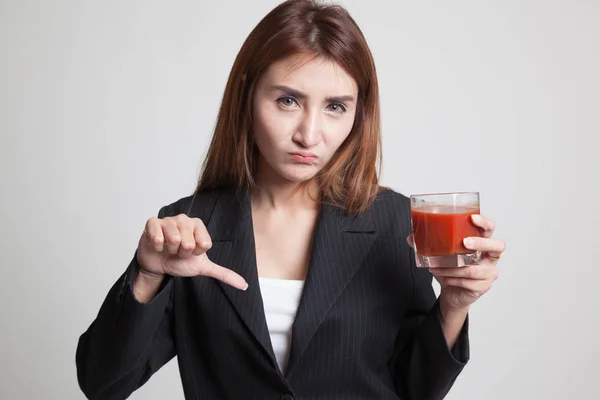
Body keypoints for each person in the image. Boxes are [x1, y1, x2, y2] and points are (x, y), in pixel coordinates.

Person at [76, 1, 506, 399]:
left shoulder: (393, 222)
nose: (309, 134)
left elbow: (415, 389)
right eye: (287, 101)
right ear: (247, 97)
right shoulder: (188, 225)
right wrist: (149, 275)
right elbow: (102, 383)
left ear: (359, 114)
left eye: (336, 107)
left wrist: (453, 303)